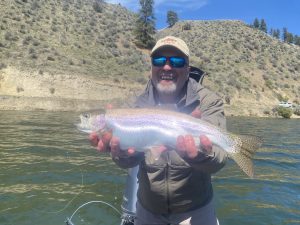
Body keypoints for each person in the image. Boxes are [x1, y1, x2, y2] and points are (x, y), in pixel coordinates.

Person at [90, 36, 228, 225]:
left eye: (177, 61)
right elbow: (130, 158)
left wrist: (200, 156)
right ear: (152, 68)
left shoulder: (208, 102)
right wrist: (122, 156)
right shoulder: (135, 105)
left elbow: (220, 157)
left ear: (187, 69)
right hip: (148, 211)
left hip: (195, 212)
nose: (167, 67)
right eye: (159, 60)